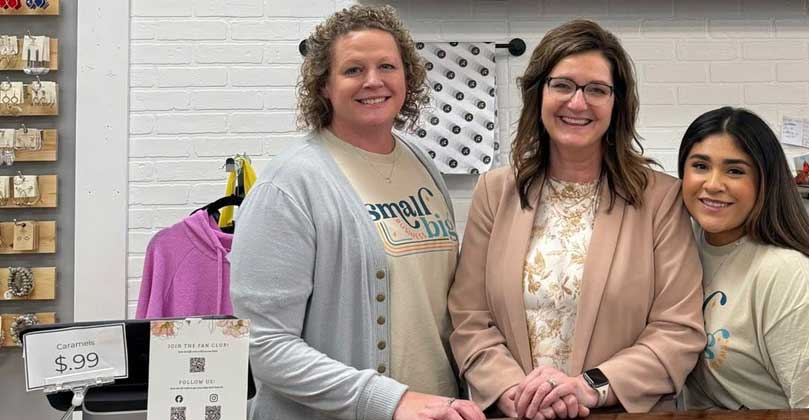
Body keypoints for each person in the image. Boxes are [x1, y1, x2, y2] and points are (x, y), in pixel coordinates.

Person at [229, 5, 482, 420]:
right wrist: (389, 401)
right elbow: (265, 345)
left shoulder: (422, 164)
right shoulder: (289, 185)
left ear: (407, 77)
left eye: (387, 66)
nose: (373, 81)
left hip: (437, 410)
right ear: (324, 86)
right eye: (353, 70)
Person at [448, 19, 705, 420]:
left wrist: (589, 387)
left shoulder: (660, 199)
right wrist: (512, 391)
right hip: (519, 413)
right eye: (563, 85)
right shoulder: (495, 193)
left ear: (617, 104)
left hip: (618, 412)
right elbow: (469, 318)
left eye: (596, 90)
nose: (577, 103)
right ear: (539, 93)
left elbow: (678, 328)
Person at [678, 107, 809, 410]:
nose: (714, 184)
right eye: (700, 166)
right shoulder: (686, 244)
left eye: (735, 171)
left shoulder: (790, 277)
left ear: (765, 181)